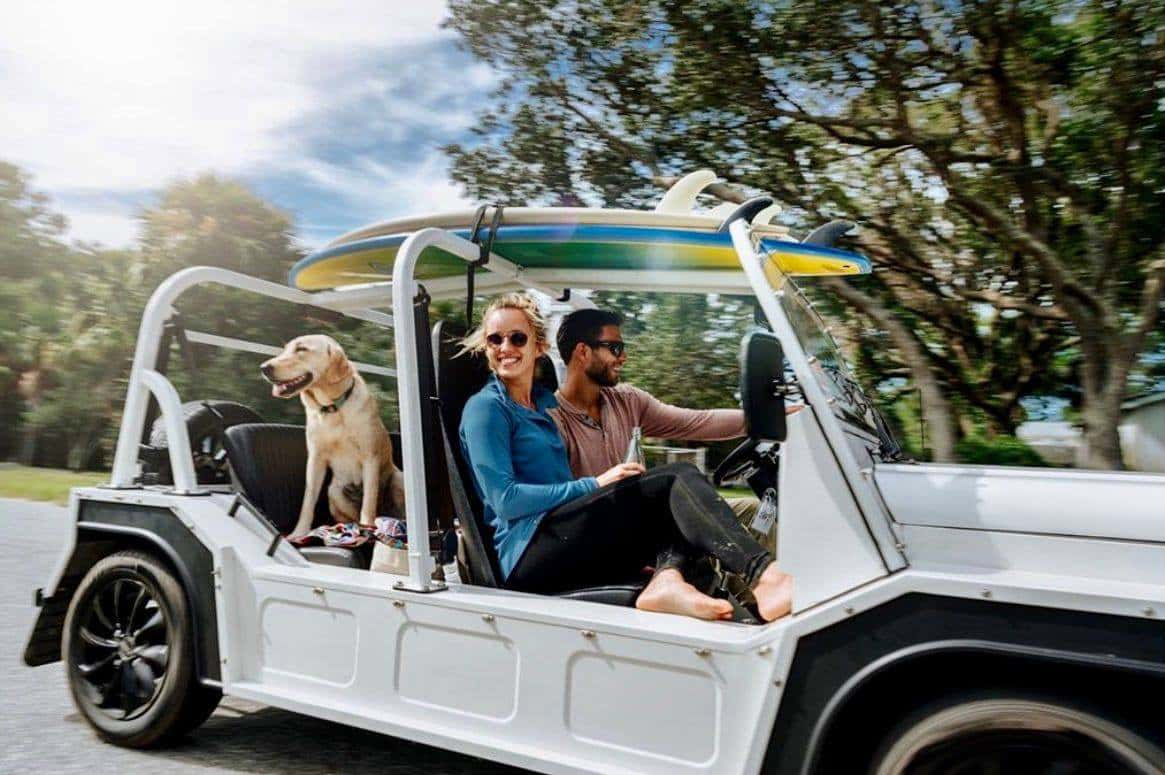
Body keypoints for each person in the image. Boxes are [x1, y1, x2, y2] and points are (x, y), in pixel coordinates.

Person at [458, 292, 792, 622]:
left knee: (681, 505)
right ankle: (764, 578)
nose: (505, 348)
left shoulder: (543, 408)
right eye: (495, 340)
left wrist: (768, 416)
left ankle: (670, 579)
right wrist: (596, 484)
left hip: (559, 534)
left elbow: (694, 421)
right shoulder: (487, 409)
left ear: (538, 346)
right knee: (676, 478)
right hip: (527, 553)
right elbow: (504, 501)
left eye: (517, 338)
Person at [548, 308, 800, 554]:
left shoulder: (627, 400)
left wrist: (765, 417)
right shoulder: (552, 420)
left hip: (647, 514)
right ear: (582, 352)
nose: (623, 357)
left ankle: (756, 592)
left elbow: (696, 422)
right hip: (607, 533)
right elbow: (559, 505)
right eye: (615, 348)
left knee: (756, 514)